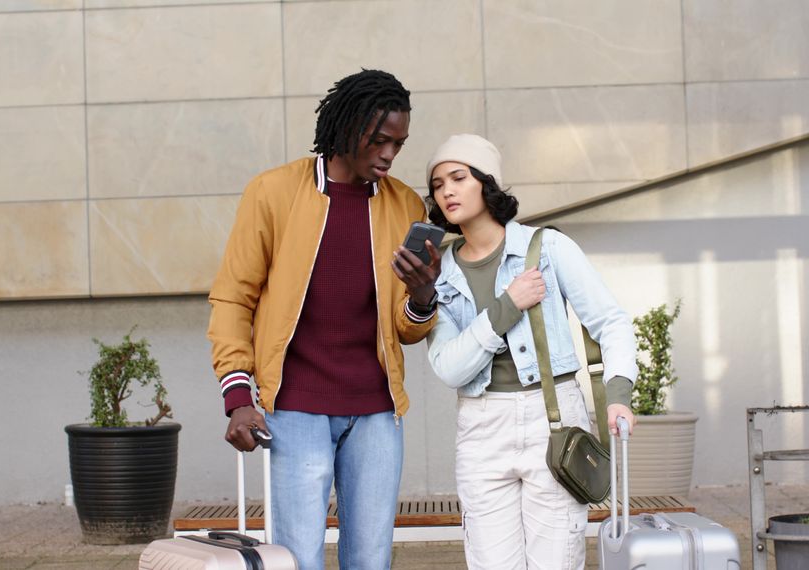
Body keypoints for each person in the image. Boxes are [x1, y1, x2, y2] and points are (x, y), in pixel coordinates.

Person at [207, 69, 441, 570]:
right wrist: (237, 398)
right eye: (379, 140)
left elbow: (406, 329)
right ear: (347, 125)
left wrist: (423, 294)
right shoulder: (272, 193)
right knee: (297, 558)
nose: (388, 155)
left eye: (398, 145)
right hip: (295, 408)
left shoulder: (404, 204)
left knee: (371, 559)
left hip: (377, 411)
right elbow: (232, 299)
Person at [423, 134, 638, 569]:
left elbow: (610, 322)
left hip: (554, 417)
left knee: (556, 560)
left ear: (487, 182)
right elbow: (449, 367)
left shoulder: (546, 248)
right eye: (437, 183)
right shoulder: (440, 271)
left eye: (458, 177)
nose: (446, 190)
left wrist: (618, 396)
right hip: (482, 426)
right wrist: (507, 306)